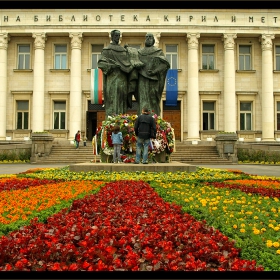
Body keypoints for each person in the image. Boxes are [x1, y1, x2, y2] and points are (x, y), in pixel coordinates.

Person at [98, 30, 142, 117]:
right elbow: (101, 63)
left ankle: (121, 119)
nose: (117, 37)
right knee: (112, 99)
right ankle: (111, 120)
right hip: (112, 78)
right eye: (116, 36)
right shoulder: (107, 50)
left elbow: (129, 63)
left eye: (119, 36)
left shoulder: (123, 50)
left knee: (122, 99)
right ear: (112, 36)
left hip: (123, 79)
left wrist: (129, 52)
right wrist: (112, 66)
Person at [136, 33, 170, 116]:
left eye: (150, 37)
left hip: (154, 79)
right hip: (142, 78)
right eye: (146, 37)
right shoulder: (139, 52)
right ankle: (142, 116)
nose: (148, 39)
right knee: (142, 98)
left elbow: (165, 65)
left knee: (153, 99)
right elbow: (134, 62)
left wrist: (155, 71)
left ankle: (154, 117)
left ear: (153, 40)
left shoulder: (158, 52)